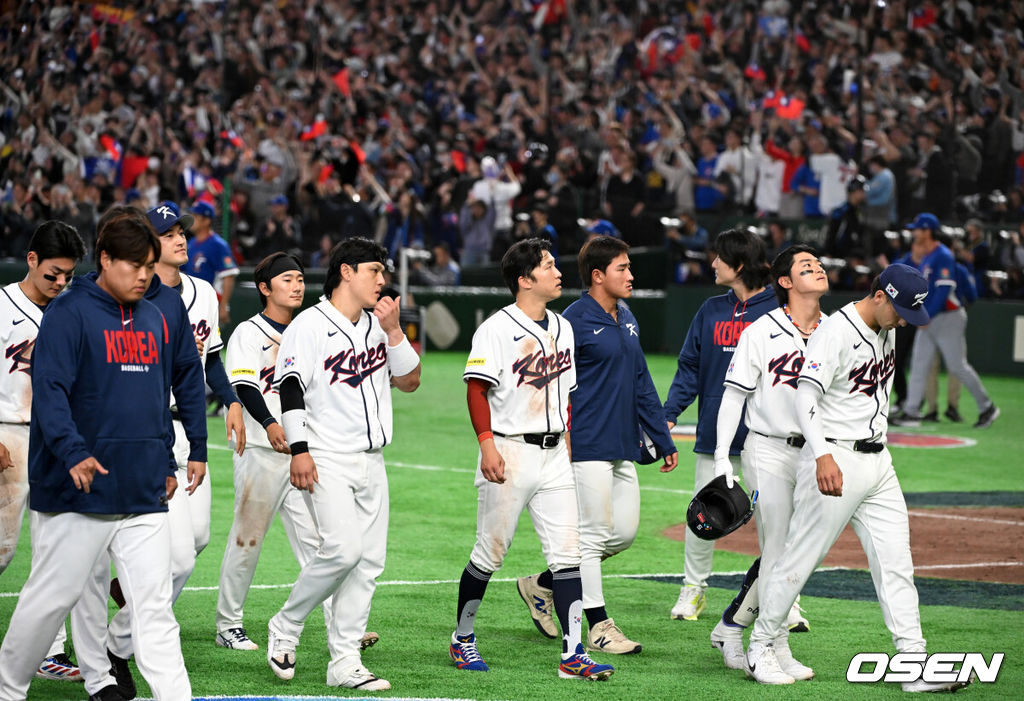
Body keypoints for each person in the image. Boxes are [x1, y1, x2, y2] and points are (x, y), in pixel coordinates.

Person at [0, 212, 204, 701]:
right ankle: (7, 689)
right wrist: (73, 454)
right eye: (133, 265)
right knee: (50, 601)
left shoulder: (158, 313)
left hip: (141, 491)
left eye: (149, 266)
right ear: (106, 259)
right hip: (76, 490)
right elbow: (49, 392)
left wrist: (179, 454)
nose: (143, 275)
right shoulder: (69, 312)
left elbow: (171, 388)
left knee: (154, 610)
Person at [746, 264, 969, 693]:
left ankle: (913, 663)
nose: (905, 319)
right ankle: (760, 645)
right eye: (901, 309)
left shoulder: (889, 326)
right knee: (799, 560)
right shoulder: (835, 332)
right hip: (837, 458)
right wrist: (823, 455)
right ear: (881, 295)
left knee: (896, 564)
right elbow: (805, 396)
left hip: (879, 463)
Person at [449, 238, 613, 680]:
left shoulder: (562, 326)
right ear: (524, 280)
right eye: (547, 265)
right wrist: (486, 443)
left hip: (555, 452)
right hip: (510, 450)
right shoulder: (497, 329)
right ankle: (462, 638)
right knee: (490, 552)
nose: (557, 271)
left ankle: (573, 653)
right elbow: (476, 389)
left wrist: (570, 443)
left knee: (567, 555)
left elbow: (567, 397)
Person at [266, 237, 421, 691]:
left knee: (369, 562)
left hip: (373, 460)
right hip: (326, 454)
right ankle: (286, 625)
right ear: (347, 272)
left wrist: (394, 331)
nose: (382, 279)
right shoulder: (310, 325)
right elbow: (290, 386)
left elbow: (410, 381)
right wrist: (299, 449)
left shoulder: (377, 325)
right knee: (342, 550)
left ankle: (345, 662)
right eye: (375, 270)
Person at [104, 201, 246, 683]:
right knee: (179, 557)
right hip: (148, 429)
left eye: (182, 231)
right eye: (168, 234)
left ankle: (121, 626)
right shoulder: (132, 298)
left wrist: (230, 401)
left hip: (189, 428)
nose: (181, 239)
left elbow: (208, 362)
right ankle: (118, 645)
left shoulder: (203, 293)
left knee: (199, 538)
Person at [515, 236, 678, 655]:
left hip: (622, 442)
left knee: (621, 534)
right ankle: (599, 627)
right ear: (598, 275)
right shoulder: (571, 321)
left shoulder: (626, 316)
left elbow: (641, 380)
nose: (631, 275)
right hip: (584, 441)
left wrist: (660, 437)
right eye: (623, 268)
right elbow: (556, 384)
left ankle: (542, 584)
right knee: (590, 538)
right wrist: (562, 434)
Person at [708, 244, 829, 676]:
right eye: (805, 265)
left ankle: (732, 626)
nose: (817, 267)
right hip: (769, 447)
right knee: (777, 550)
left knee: (799, 553)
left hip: (814, 453)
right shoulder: (762, 330)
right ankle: (771, 645)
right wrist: (723, 455)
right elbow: (733, 395)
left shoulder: (834, 331)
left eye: (817, 263)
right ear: (784, 282)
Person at [663, 228, 777, 621]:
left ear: (739, 265)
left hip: (770, 437)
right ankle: (693, 591)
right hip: (716, 435)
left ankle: (782, 599)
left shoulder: (779, 311)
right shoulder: (711, 309)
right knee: (703, 515)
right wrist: (670, 412)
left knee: (775, 523)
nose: (711, 264)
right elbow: (690, 366)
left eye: (718, 258)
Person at [0, 221, 86, 683]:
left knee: (55, 551)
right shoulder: (1, 304)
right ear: (31, 259)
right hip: (7, 433)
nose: (59, 283)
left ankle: (47, 652)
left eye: (68, 276)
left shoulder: (71, 310)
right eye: (53, 273)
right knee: (3, 552)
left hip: (57, 439)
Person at [891, 213, 999, 429]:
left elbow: (944, 289)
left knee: (957, 366)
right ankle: (912, 412)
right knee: (919, 365)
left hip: (948, 317)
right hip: (931, 318)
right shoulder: (929, 256)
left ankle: (987, 407)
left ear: (928, 231)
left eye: (917, 230)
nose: (914, 233)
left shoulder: (942, 255)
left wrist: (926, 316)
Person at [184, 200, 239, 325]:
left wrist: (224, 306)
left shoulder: (218, 244)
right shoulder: (190, 243)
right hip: (192, 301)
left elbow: (228, 276)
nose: (192, 219)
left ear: (206, 220)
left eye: (196, 216)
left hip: (211, 303)